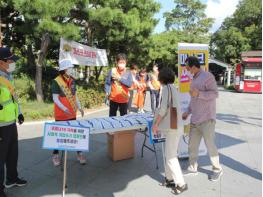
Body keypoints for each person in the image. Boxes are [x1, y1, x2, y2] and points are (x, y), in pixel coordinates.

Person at [182, 56, 222, 181]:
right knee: (192, 146)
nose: (187, 69)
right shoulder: (193, 79)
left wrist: (199, 93)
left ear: (193, 66)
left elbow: (215, 94)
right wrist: (188, 111)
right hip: (195, 119)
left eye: (188, 67)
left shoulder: (207, 76)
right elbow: (194, 99)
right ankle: (193, 168)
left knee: (210, 145)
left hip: (207, 119)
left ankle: (217, 169)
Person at [152, 67, 187, 195]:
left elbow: (163, 109)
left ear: (162, 78)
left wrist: (156, 124)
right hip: (176, 126)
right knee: (170, 153)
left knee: (171, 156)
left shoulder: (166, 89)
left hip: (172, 127)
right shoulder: (173, 88)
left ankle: (181, 183)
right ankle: (169, 179)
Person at [0, 47, 27, 197]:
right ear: (1, 62)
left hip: (11, 122)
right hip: (0, 126)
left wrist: (20, 113)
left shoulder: (8, 77)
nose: (12, 63)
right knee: (0, 158)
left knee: (12, 153)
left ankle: (12, 178)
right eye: (10, 60)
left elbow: (14, 98)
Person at [51, 59, 86, 166]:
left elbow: (75, 96)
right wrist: (64, 108)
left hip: (72, 113)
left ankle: (79, 154)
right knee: (59, 136)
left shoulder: (72, 80)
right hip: (61, 114)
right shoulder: (56, 81)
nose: (71, 69)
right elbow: (55, 98)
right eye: (69, 68)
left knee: (75, 134)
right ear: (64, 69)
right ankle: (55, 155)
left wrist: (79, 107)